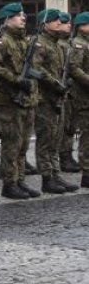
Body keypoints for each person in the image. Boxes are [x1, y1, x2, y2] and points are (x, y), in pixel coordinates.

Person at [0, 3, 42, 199]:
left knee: (23, 145)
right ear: (8, 18)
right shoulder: (2, 42)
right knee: (11, 145)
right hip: (9, 100)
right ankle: (9, 184)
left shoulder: (24, 41)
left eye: (23, 15)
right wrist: (17, 81)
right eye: (18, 15)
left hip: (27, 100)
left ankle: (20, 180)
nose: (23, 18)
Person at [31, 9, 78, 194]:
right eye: (54, 20)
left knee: (55, 139)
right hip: (44, 98)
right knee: (45, 140)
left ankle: (56, 175)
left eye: (59, 20)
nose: (59, 22)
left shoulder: (57, 44)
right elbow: (36, 69)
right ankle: (47, 178)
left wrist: (64, 84)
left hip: (58, 96)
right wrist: (56, 84)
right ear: (45, 23)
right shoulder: (39, 43)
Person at [57, 13, 81, 173]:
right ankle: (64, 157)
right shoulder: (60, 44)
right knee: (64, 127)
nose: (68, 25)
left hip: (72, 91)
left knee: (71, 126)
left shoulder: (69, 43)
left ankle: (68, 156)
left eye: (68, 23)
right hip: (62, 90)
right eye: (65, 23)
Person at [68, 11, 89, 188]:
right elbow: (75, 69)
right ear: (82, 26)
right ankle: (86, 173)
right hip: (83, 97)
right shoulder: (79, 44)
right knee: (87, 136)